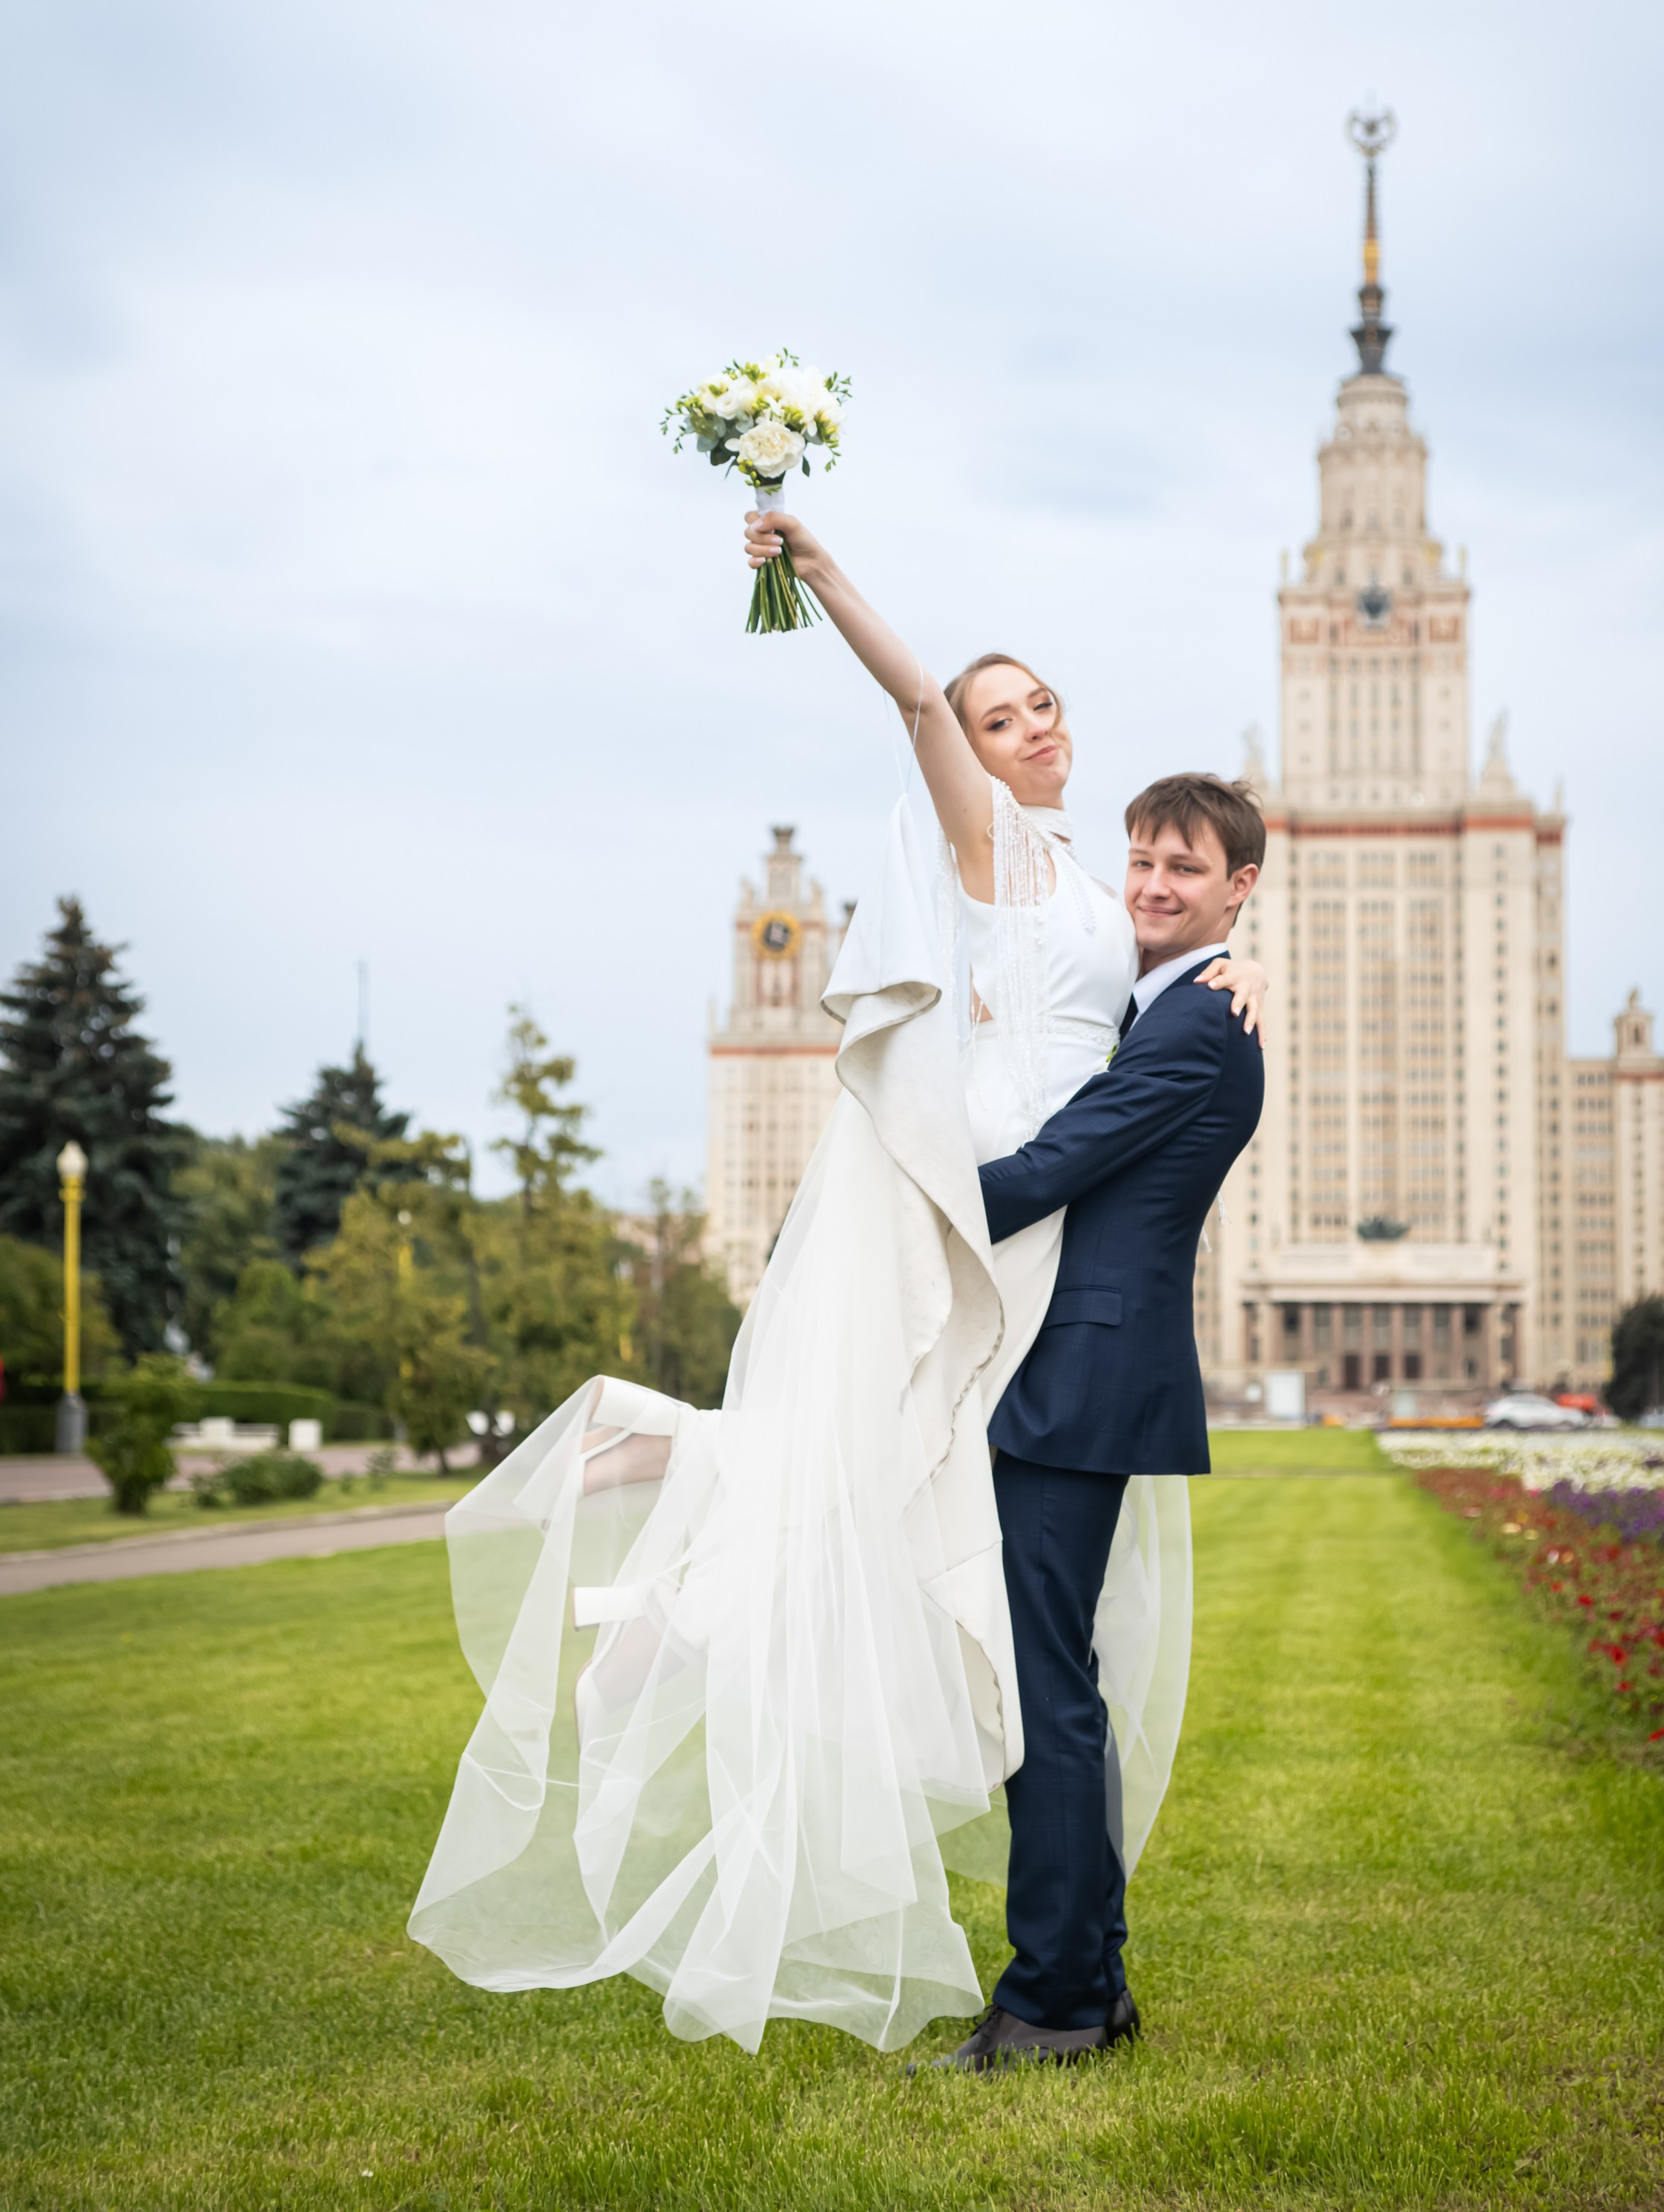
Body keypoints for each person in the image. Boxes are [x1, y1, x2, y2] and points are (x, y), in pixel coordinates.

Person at [409, 509, 1266, 2057]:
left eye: (1046, 703)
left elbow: (1149, 1024)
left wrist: (1210, 975)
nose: (1031, 726)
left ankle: (1068, 1987)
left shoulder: (1111, 906)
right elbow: (917, 706)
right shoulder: (994, 845)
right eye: (1006, 716)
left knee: (1015, 1640)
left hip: (1053, 1304)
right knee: (1012, 1635)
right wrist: (823, 575)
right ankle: (1066, 1971)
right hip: (1001, 1249)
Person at [924, 771, 1266, 2071]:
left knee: (1043, 1689)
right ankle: (1091, 1979)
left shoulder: (1193, 1029)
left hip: (1081, 1378)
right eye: (1137, 861)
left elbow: (1055, 1165)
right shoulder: (1179, 1006)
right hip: (1073, 1371)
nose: (1147, 884)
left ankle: (1056, 1998)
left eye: (1180, 867)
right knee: (1056, 1677)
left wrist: (895, 1210)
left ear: (1238, 887)